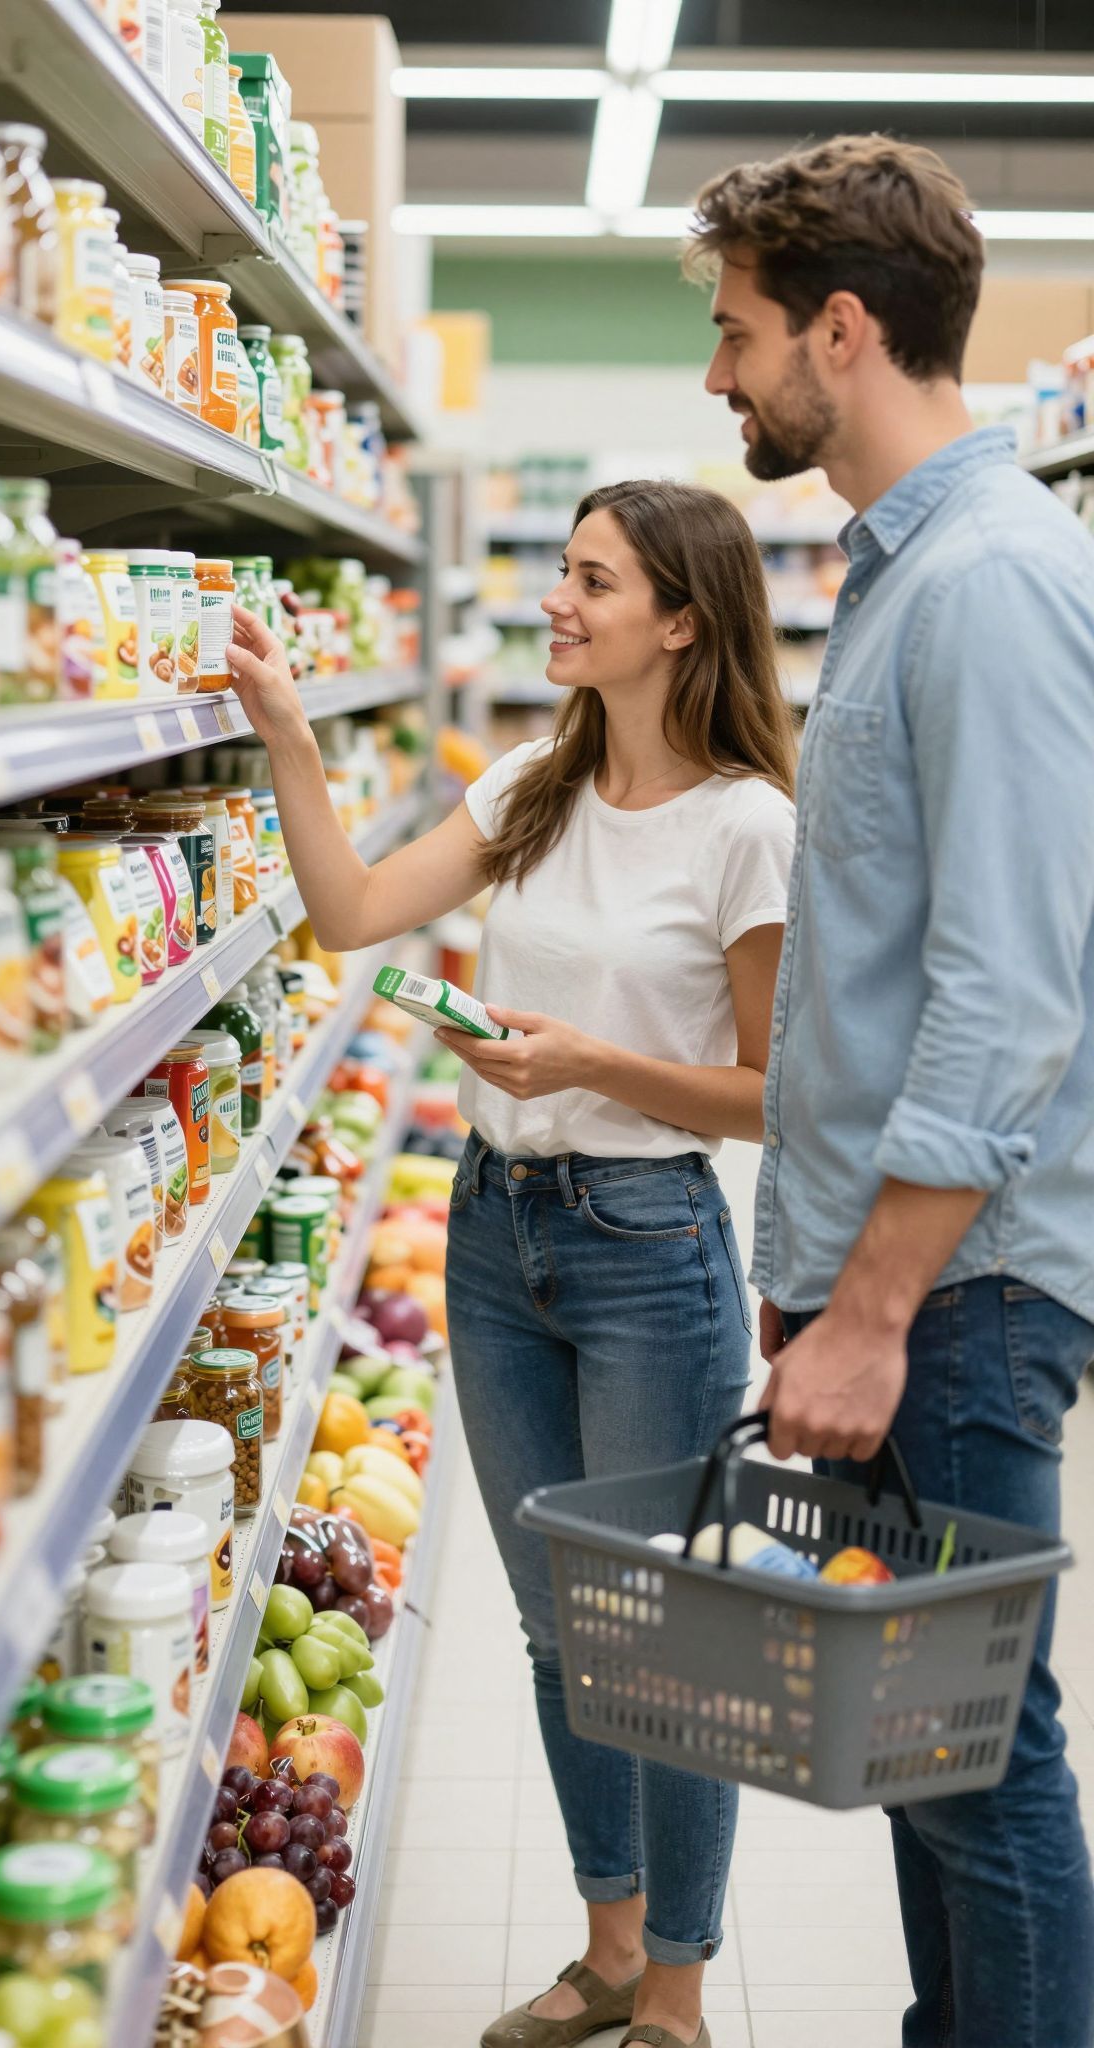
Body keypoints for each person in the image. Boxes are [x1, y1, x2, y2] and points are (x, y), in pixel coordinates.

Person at [224, 478, 798, 2048]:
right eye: (560, 571)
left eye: (589, 580)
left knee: (663, 1644)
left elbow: (774, 1094)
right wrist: (285, 727)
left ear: (679, 620)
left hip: (645, 1249)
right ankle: (607, 1950)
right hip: (495, 1234)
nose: (554, 600)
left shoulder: (749, 826)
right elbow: (347, 913)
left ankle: (676, 1986)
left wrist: (595, 1068)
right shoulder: (535, 780)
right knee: (565, 1633)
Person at [691, 134, 1094, 2048]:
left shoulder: (998, 585)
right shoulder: (911, 573)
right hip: (902, 1282)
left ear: (843, 332)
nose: (721, 377)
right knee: (922, 1759)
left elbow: (1008, 992)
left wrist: (870, 1310)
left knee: (982, 1761)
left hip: (963, 1296)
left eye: (739, 332)